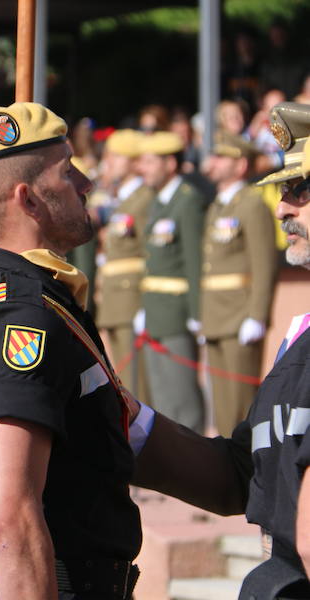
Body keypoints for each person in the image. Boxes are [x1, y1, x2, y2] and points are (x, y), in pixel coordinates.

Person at [0, 103, 143, 600]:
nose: (85, 182)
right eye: (67, 171)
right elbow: (11, 521)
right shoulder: (25, 314)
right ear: (29, 198)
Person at [132, 100, 310, 600]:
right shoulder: (300, 338)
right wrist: (133, 426)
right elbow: (245, 471)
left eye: (302, 189)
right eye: (284, 190)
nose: (284, 208)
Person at [199, 132, 278, 436]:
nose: (214, 163)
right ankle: (230, 469)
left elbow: (264, 264)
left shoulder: (252, 204)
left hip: (239, 313)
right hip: (216, 314)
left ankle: (247, 472)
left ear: (241, 165)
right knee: (221, 406)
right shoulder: (218, 205)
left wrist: (257, 315)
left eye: (223, 157)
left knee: (241, 405)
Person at [134, 131, 207, 432]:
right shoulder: (160, 203)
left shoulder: (187, 202)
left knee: (183, 398)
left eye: (150, 162)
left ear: (170, 164)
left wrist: (196, 314)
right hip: (156, 311)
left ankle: (195, 466)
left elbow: (194, 262)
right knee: (163, 397)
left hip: (178, 313)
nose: (143, 168)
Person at [95, 129, 154, 407]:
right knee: (125, 376)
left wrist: (146, 301)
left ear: (133, 162)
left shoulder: (144, 199)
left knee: (137, 381)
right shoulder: (123, 199)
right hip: (116, 297)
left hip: (132, 297)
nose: (109, 161)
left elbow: (149, 252)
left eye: (117, 156)